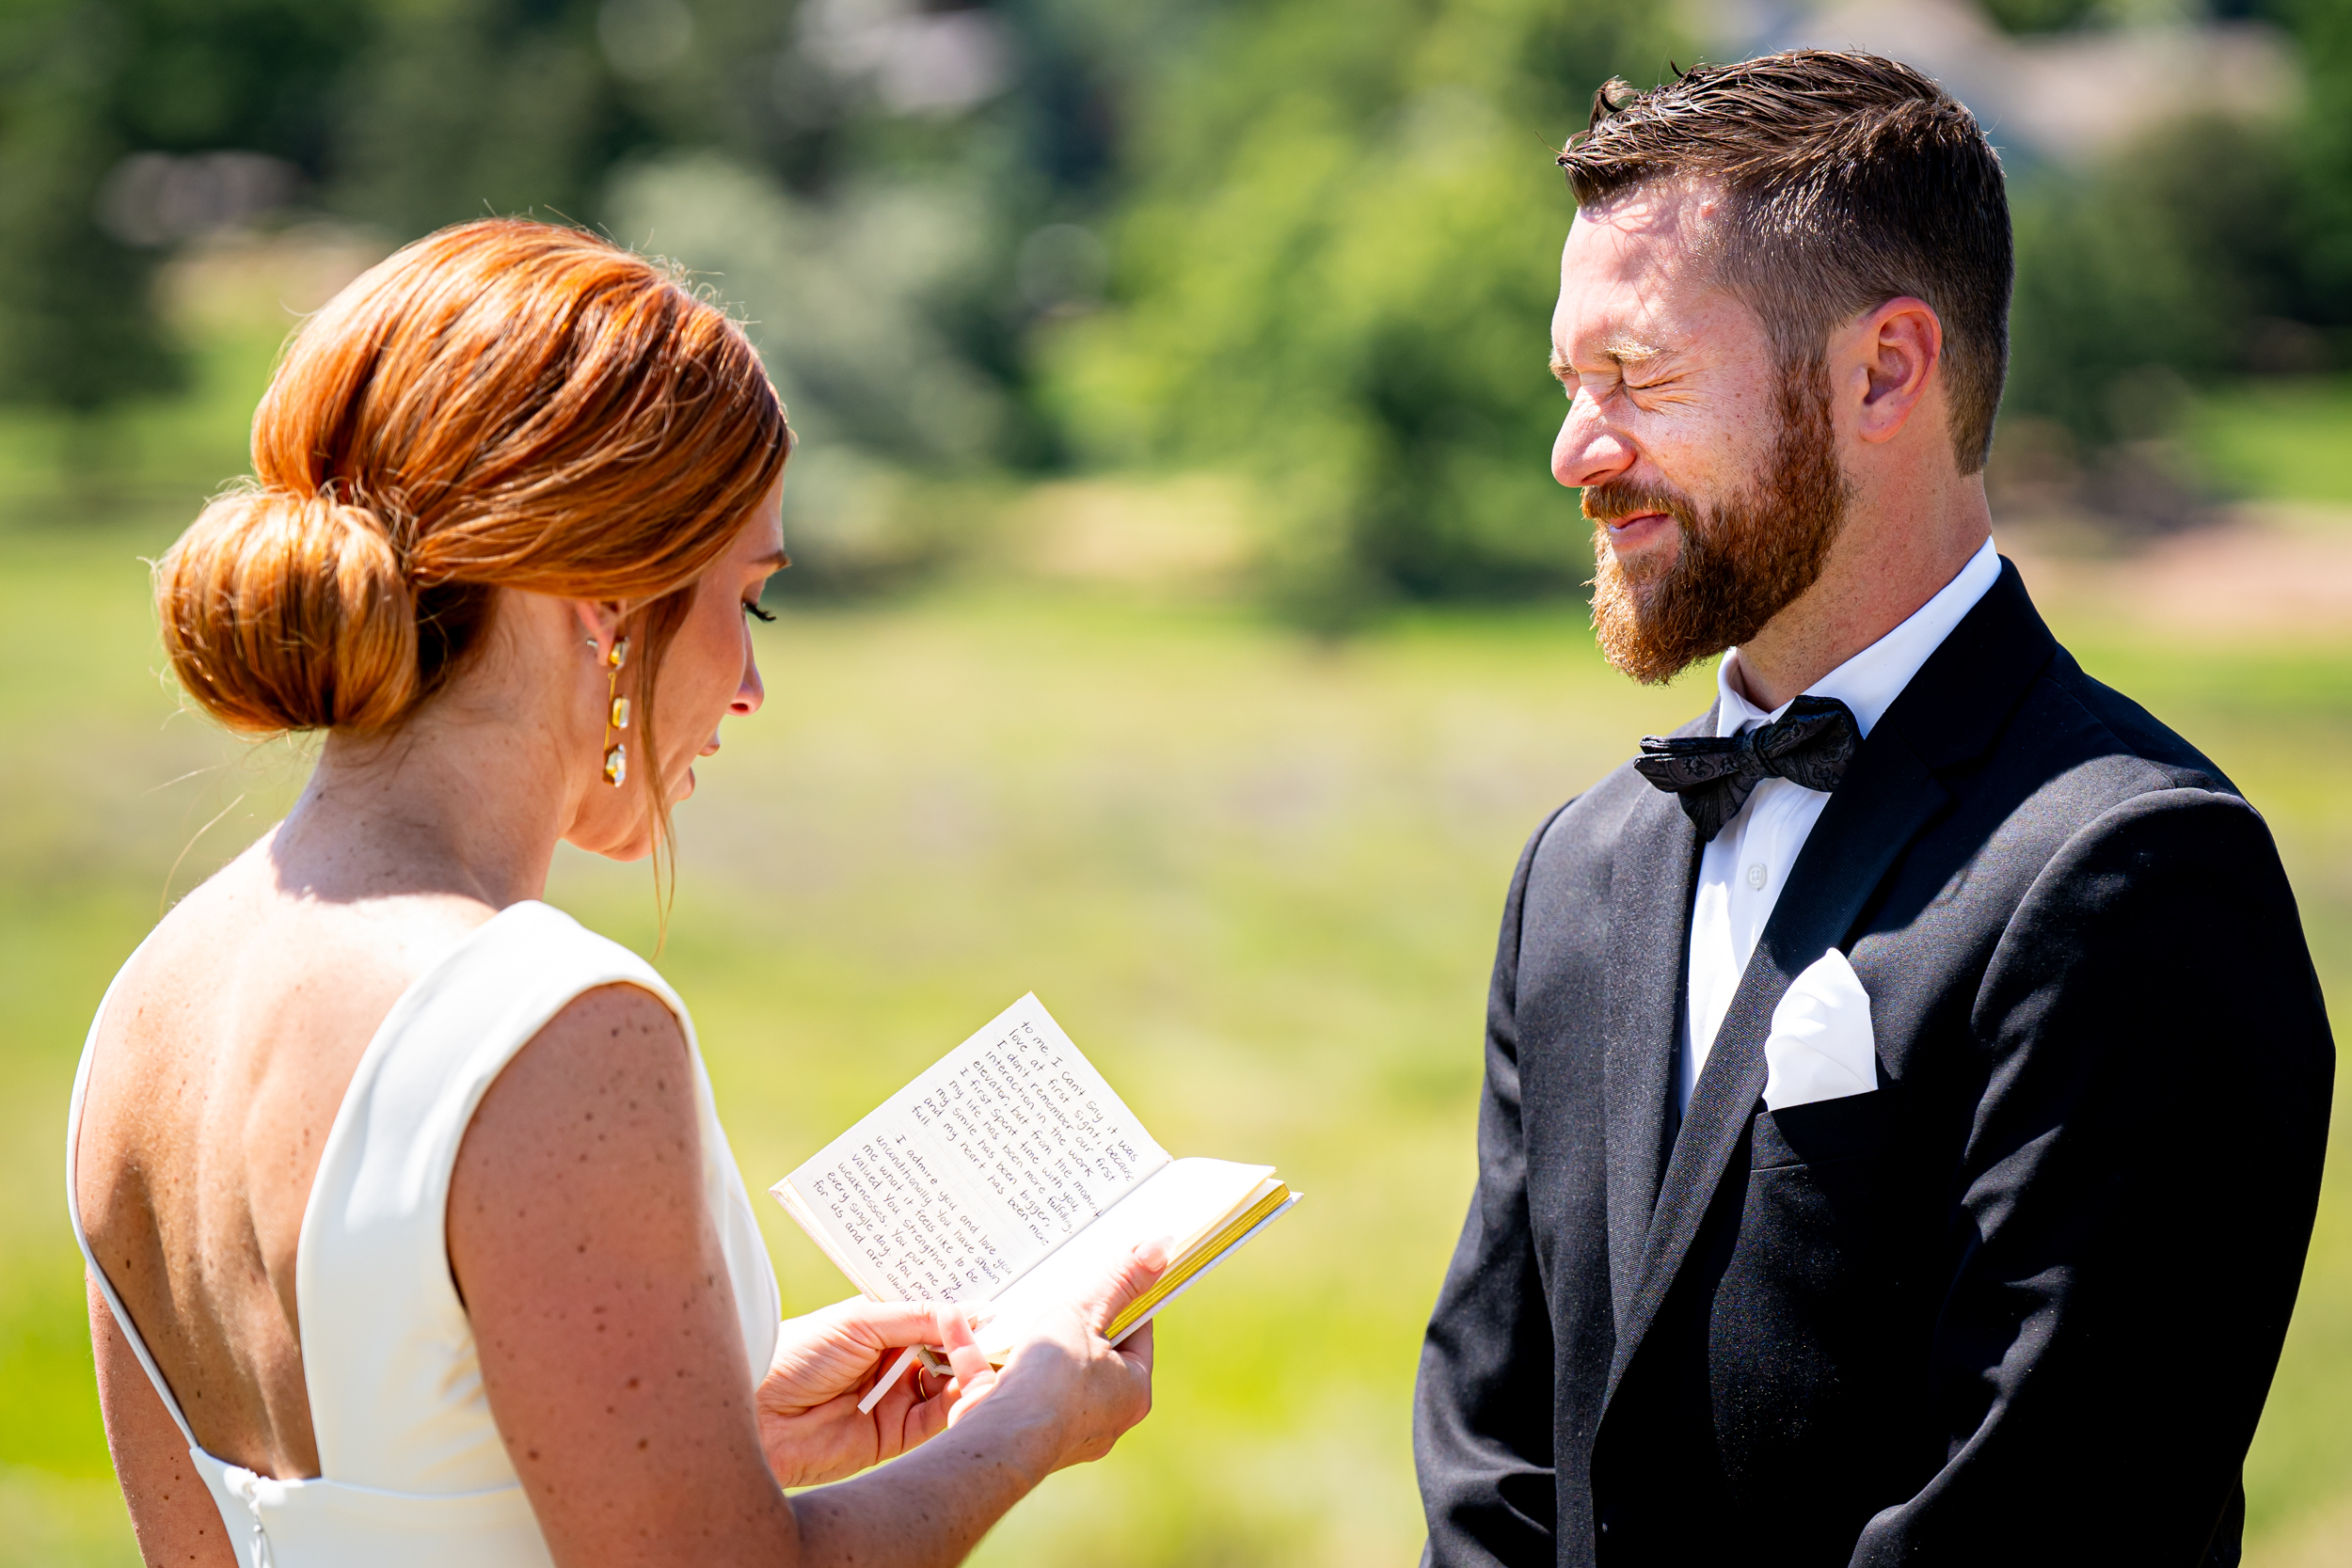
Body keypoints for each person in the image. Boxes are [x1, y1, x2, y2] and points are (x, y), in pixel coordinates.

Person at [68, 219, 1162, 1568]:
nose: (751, 688)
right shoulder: (552, 1025)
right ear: (604, 595)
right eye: (746, 604)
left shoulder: (152, 1000)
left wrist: (727, 1428)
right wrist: (1034, 1418)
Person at [1413, 51, 2333, 1567]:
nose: (1576, 452)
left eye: (1635, 377)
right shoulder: (1577, 873)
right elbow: (1494, 1460)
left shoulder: (2136, 872)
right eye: (1571, 386)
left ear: (1886, 370)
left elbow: (2050, 1521)